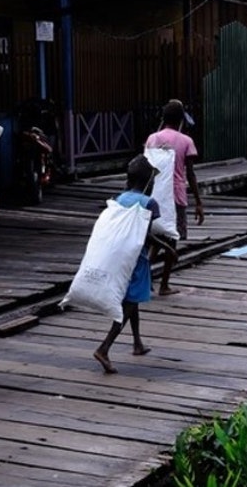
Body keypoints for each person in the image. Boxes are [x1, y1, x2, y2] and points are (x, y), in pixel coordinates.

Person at [94, 154, 177, 374]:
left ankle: (137, 343)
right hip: (137, 259)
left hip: (119, 257)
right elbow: (145, 236)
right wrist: (168, 247)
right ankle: (105, 347)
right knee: (130, 303)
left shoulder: (119, 198)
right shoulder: (149, 203)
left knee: (134, 298)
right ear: (148, 182)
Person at [144, 99, 203, 295]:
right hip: (176, 195)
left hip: (154, 195)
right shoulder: (186, 141)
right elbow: (191, 174)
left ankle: (146, 278)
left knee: (155, 239)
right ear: (181, 120)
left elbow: (147, 167)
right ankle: (164, 284)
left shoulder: (152, 138)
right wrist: (198, 202)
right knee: (171, 239)